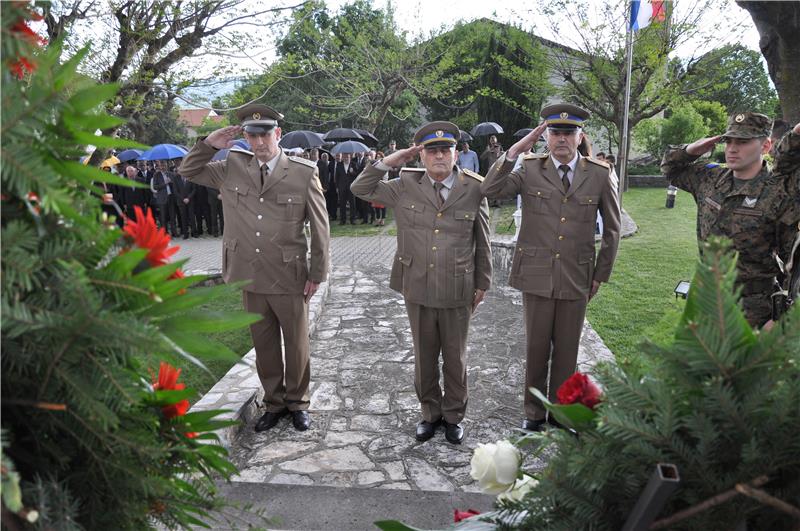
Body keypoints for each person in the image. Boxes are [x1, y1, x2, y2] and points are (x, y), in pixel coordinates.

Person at [179, 104, 330, 432]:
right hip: (249, 272)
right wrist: (209, 143)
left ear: (277, 134)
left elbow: (321, 227)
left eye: (265, 134)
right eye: (252, 135)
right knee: (264, 344)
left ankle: (298, 402)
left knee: (296, 342)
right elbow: (188, 170)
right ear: (244, 137)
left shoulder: (304, 172)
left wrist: (317, 273)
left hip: (289, 272)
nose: (259, 142)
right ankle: (274, 403)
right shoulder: (231, 166)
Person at [481, 103, 621, 432]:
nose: (561, 139)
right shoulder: (529, 169)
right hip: (537, 273)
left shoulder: (598, 174)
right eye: (554, 132)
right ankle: (533, 411)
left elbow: (612, 229)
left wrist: (601, 274)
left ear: (579, 135)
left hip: (577, 273)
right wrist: (514, 152)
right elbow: (489, 190)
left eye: (568, 133)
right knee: (536, 347)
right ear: (546, 136)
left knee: (568, 349)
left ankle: (561, 412)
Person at [351, 121, 492, 445]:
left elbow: (482, 238)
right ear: (422, 155)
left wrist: (482, 281)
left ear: (456, 153)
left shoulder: (474, 188)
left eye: (446, 149)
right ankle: (430, 414)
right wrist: (391, 161)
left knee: (455, 358)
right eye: (432, 151)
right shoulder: (404, 185)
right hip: (417, 285)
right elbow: (360, 188)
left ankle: (454, 415)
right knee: (424, 356)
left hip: (458, 287)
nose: (440, 156)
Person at [661, 112, 798, 329]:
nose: (733, 148)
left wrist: (780, 319)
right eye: (729, 141)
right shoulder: (710, 179)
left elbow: (795, 263)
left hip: (753, 312)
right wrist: (691, 150)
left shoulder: (778, 193)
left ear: (765, 146)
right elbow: (671, 170)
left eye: (743, 142)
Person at [335, 153, 359, 224]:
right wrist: (337, 187)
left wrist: (353, 172)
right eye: (345, 157)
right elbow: (337, 177)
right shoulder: (339, 165)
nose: (346, 159)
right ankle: (343, 220)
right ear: (342, 158)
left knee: (352, 204)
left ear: (350, 158)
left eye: (347, 157)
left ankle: (353, 219)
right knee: (342, 204)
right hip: (342, 187)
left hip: (351, 187)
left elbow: (357, 175)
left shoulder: (353, 164)